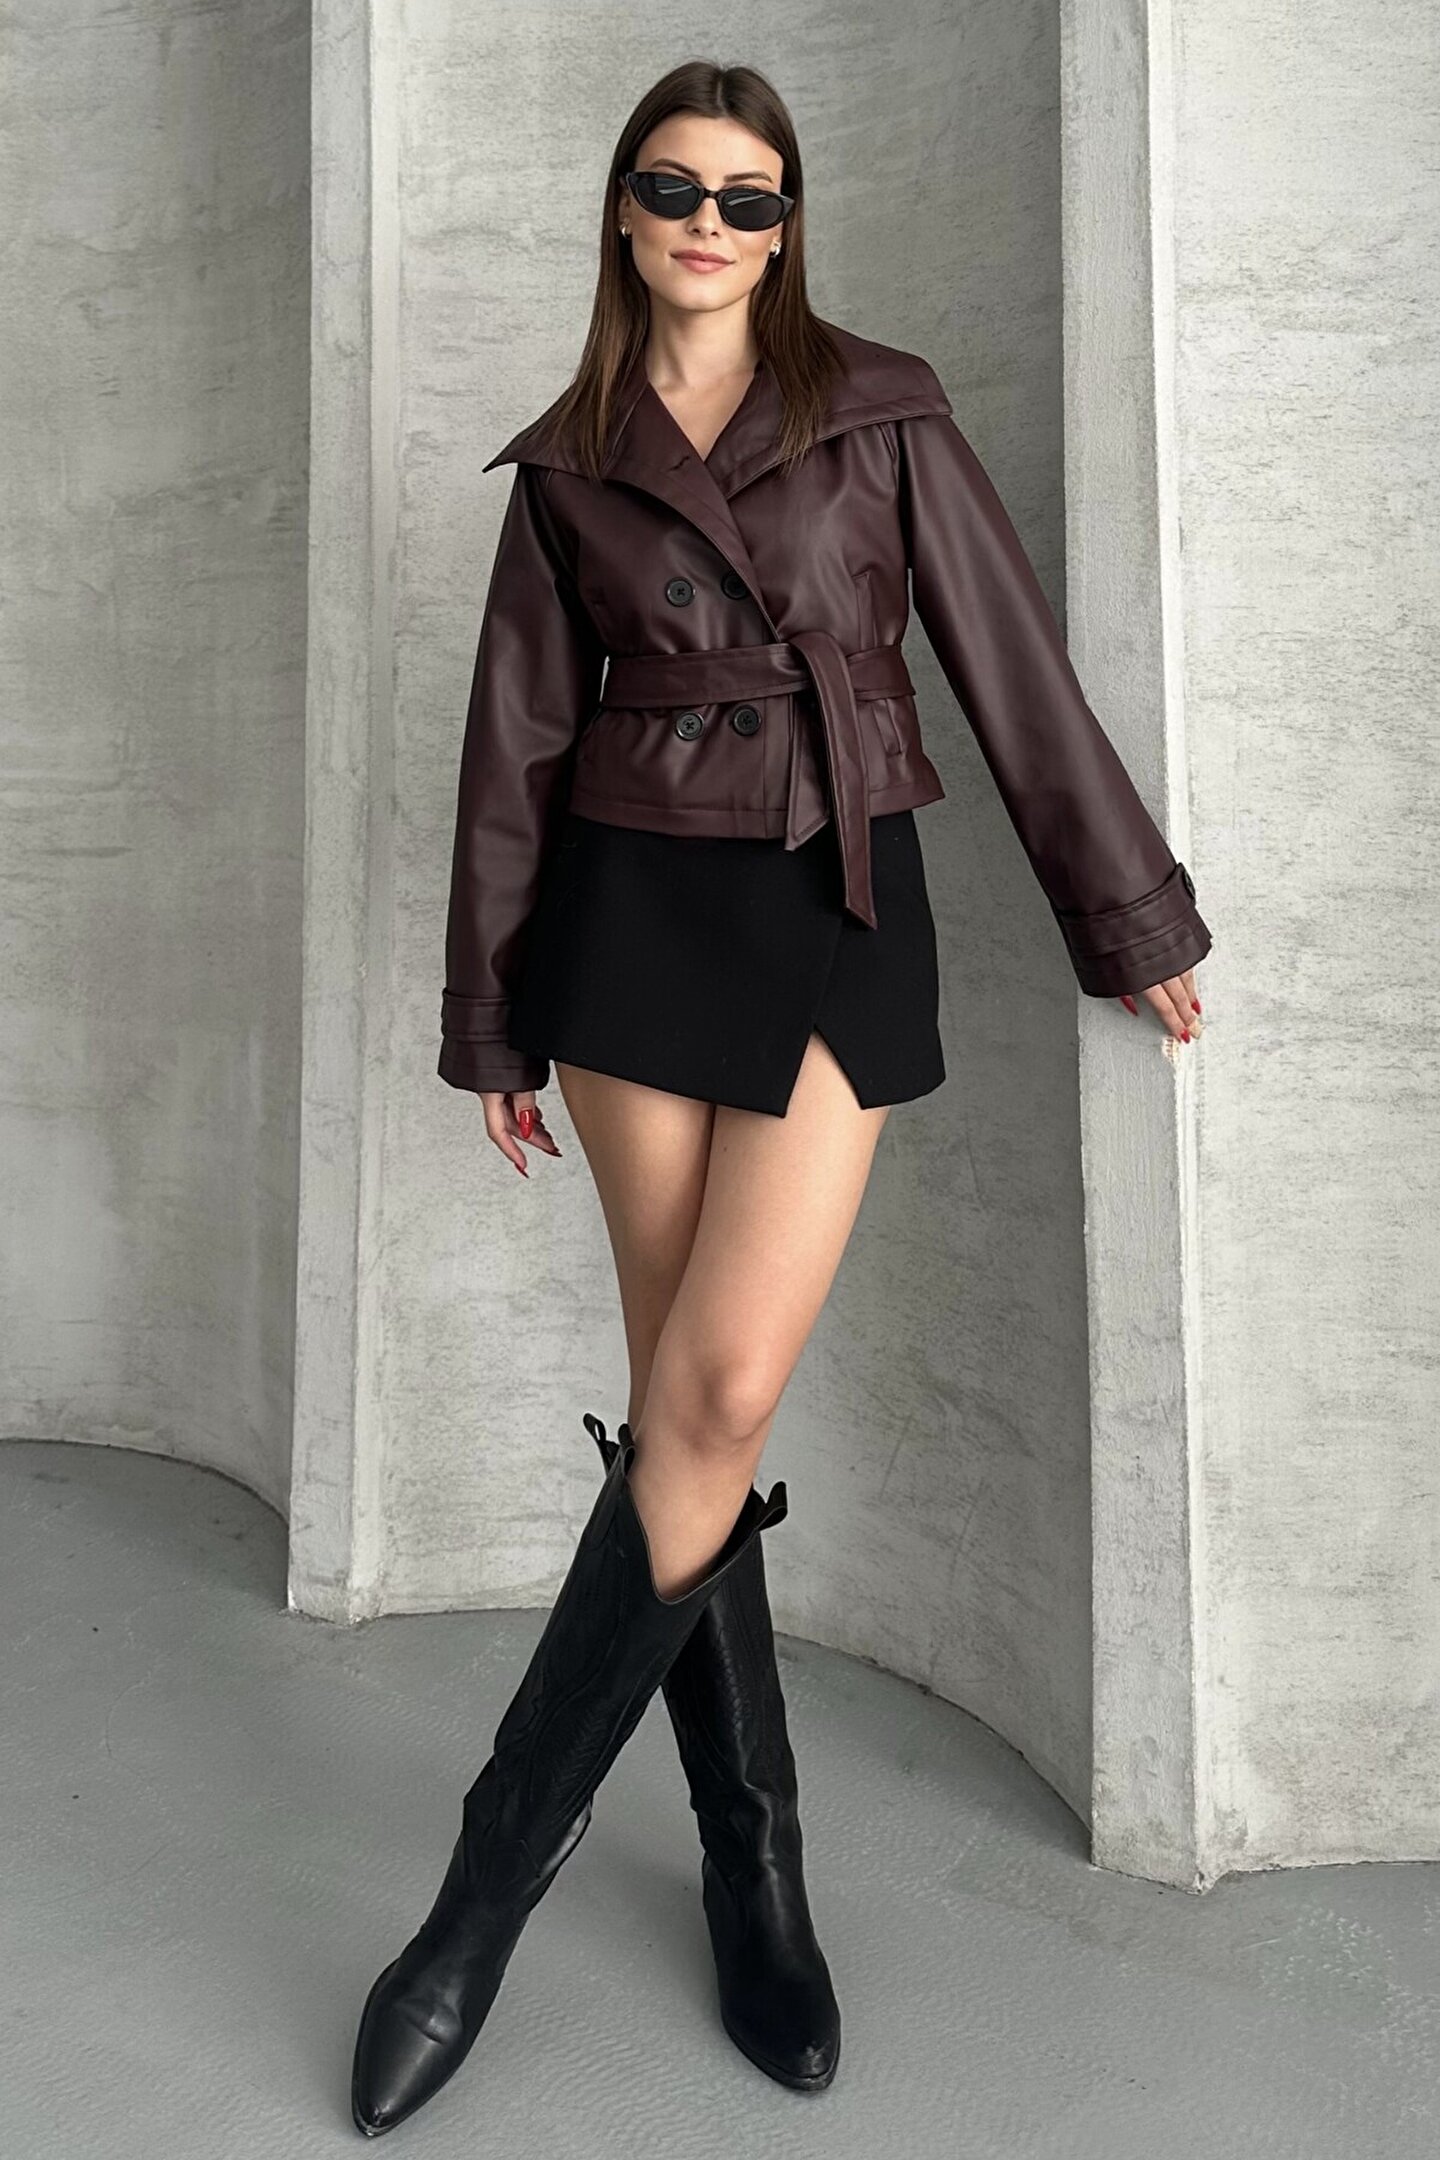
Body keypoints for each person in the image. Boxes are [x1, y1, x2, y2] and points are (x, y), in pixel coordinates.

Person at [350, 57, 1212, 2138]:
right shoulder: (570, 461)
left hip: (837, 901)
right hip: (629, 922)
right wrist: (492, 1016)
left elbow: (1009, 667)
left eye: (751, 196)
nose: (711, 225)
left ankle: (477, 1898)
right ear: (623, 210)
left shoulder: (879, 407)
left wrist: (1127, 909)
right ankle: (757, 1868)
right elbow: (512, 748)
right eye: (675, 188)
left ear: (790, 223)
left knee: (719, 1392)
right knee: (686, 1410)